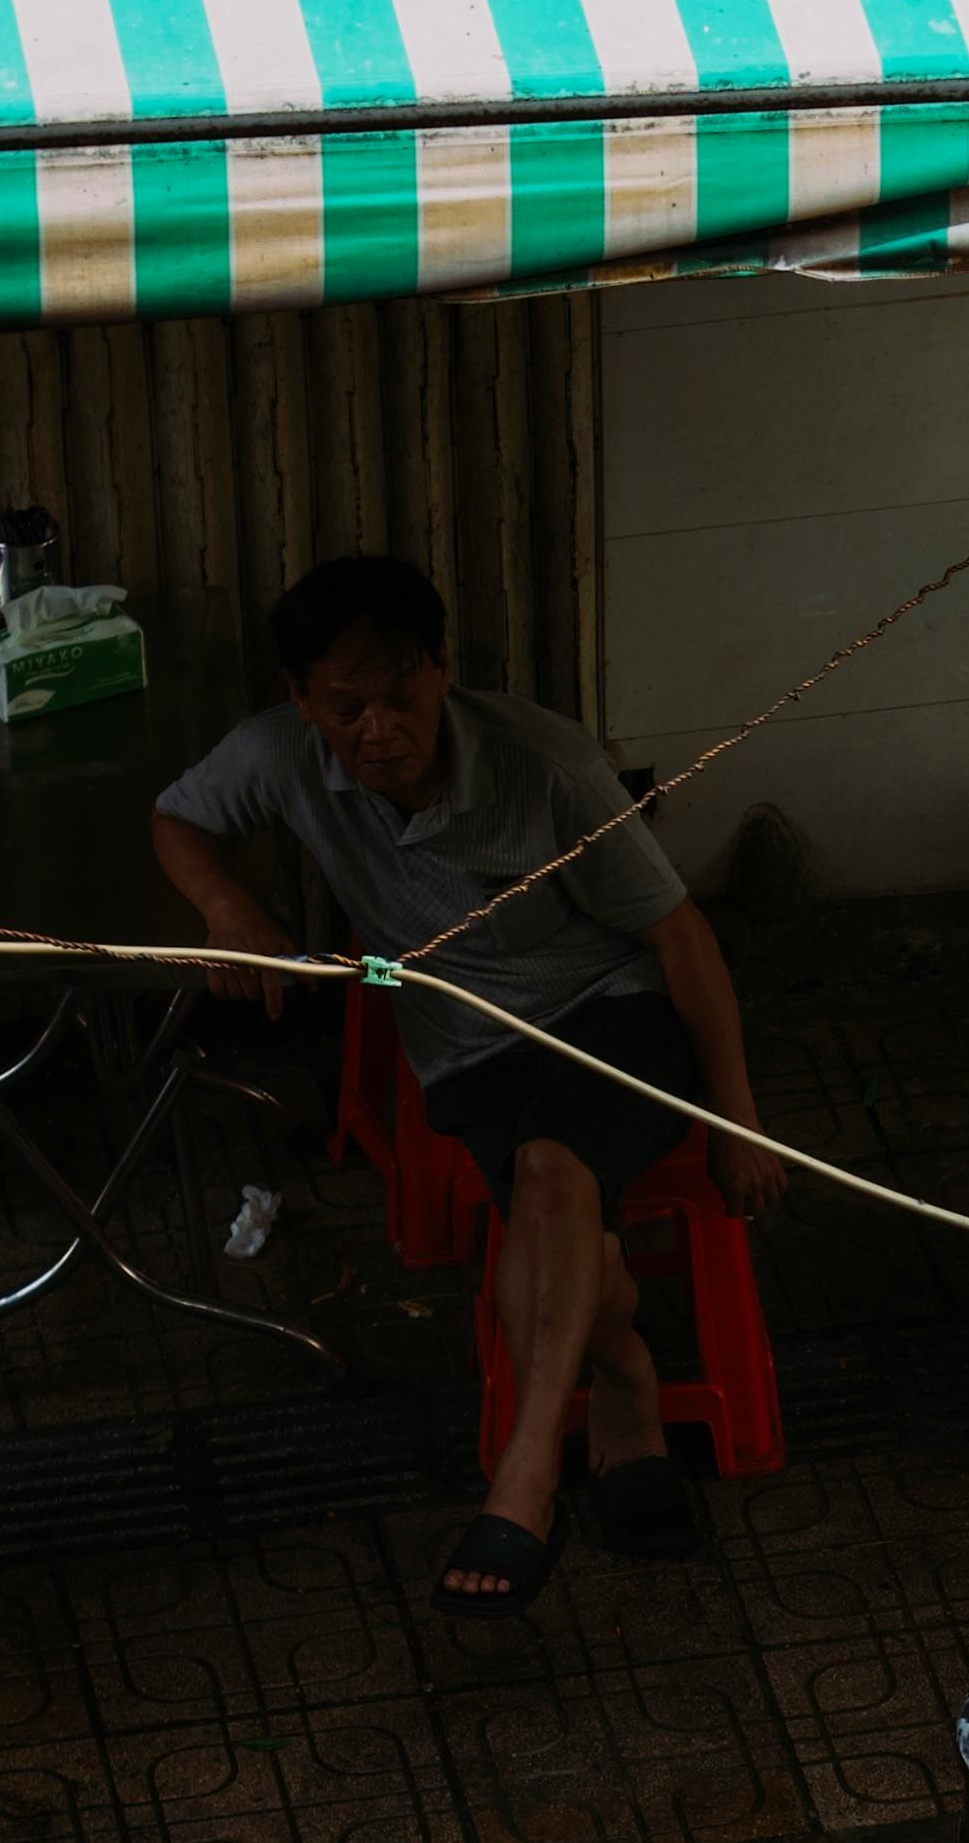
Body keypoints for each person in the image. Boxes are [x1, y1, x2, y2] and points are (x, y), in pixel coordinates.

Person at [151, 556, 783, 1616]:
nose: (378, 729)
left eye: (401, 696)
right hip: (468, 1044)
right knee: (553, 1212)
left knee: (550, 1174)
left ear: (443, 670)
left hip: (611, 1014)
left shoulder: (545, 765)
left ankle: (527, 1475)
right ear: (303, 701)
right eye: (346, 707)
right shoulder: (283, 753)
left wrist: (739, 1120)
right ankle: (625, 1379)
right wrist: (229, 909)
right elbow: (177, 819)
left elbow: (678, 935)